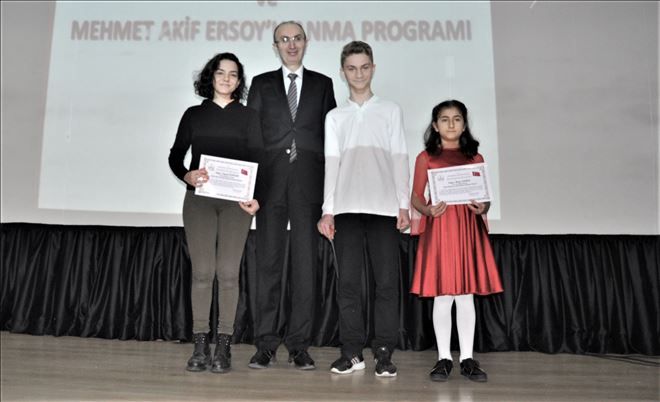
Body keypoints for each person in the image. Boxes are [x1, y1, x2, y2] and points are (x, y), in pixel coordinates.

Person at [246, 21, 336, 370]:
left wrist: (331, 197)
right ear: (276, 46)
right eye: (284, 40)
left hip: (309, 185)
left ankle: (299, 344)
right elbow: (253, 138)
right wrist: (250, 189)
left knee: (304, 269)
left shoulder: (323, 84)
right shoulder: (261, 83)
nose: (291, 44)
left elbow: (332, 141)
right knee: (267, 266)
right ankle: (265, 343)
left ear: (306, 42)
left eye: (296, 38)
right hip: (269, 186)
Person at [317, 41, 410, 377]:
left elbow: (400, 158)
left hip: (385, 209)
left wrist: (403, 204)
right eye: (352, 68)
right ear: (343, 73)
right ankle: (352, 352)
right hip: (345, 210)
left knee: (386, 284)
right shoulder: (335, 116)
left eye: (364, 66)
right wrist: (328, 210)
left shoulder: (390, 110)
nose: (358, 73)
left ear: (373, 68)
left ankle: (384, 353)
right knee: (349, 286)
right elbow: (332, 164)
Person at [168, 52, 262, 374]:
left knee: (228, 273)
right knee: (203, 272)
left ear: (239, 81)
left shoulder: (249, 117)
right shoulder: (194, 114)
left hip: (237, 204)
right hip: (200, 201)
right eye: (220, 73)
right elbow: (176, 156)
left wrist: (256, 197)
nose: (226, 79)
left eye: (233, 74)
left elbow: (260, 160)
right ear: (211, 77)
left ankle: (223, 347)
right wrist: (186, 175)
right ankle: (199, 344)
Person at [409, 99, 503, 382]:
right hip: (439, 231)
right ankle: (442, 358)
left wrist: (482, 207)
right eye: (445, 119)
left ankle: (467, 358)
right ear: (435, 126)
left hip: (467, 230)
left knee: (465, 296)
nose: (451, 124)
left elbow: (484, 198)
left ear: (464, 124)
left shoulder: (476, 157)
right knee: (442, 295)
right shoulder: (426, 157)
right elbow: (415, 195)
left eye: (457, 118)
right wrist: (427, 209)